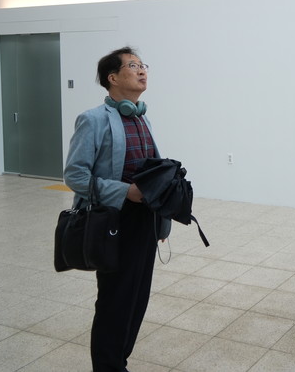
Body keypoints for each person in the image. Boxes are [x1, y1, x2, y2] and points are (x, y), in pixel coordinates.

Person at [64, 47, 171, 372]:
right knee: (115, 300)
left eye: (143, 65)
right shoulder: (93, 119)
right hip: (113, 220)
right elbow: (75, 176)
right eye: (133, 65)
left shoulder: (141, 117)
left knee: (137, 298)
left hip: (145, 220)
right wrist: (126, 192)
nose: (142, 71)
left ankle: (118, 362)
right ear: (112, 77)